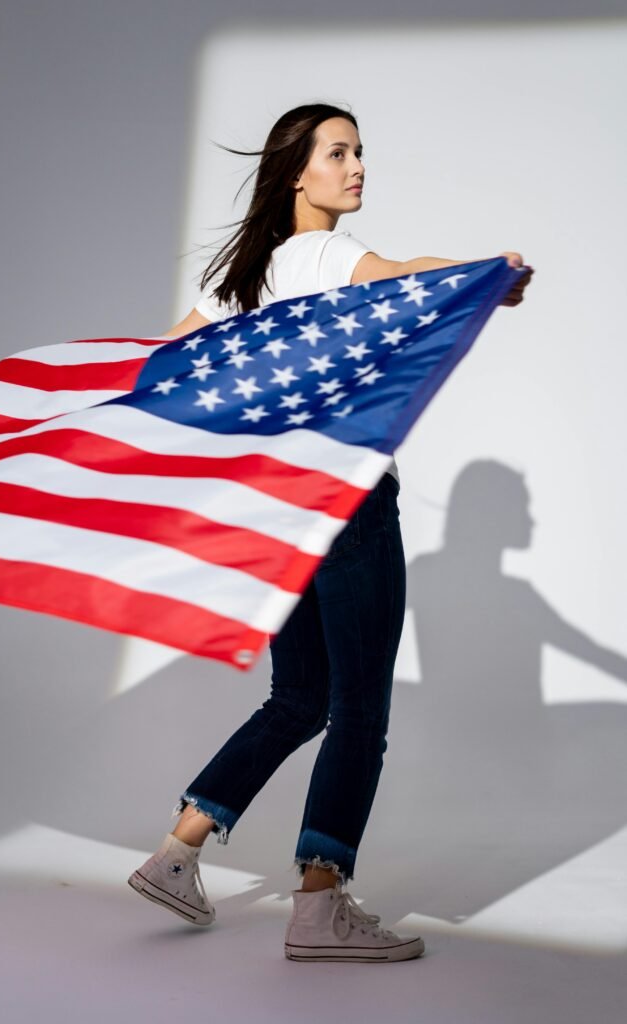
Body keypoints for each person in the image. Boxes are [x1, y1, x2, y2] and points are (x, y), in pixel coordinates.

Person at [128, 102, 533, 963]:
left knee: (299, 697)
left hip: (283, 511)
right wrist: (482, 270)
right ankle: (319, 908)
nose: (356, 168)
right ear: (297, 171)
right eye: (339, 153)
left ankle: (177, 853)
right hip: (345, 502)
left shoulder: (240, 277)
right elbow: (396, 269)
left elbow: (165, 362)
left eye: (359, 153)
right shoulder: (321, 252)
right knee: (358, 710)